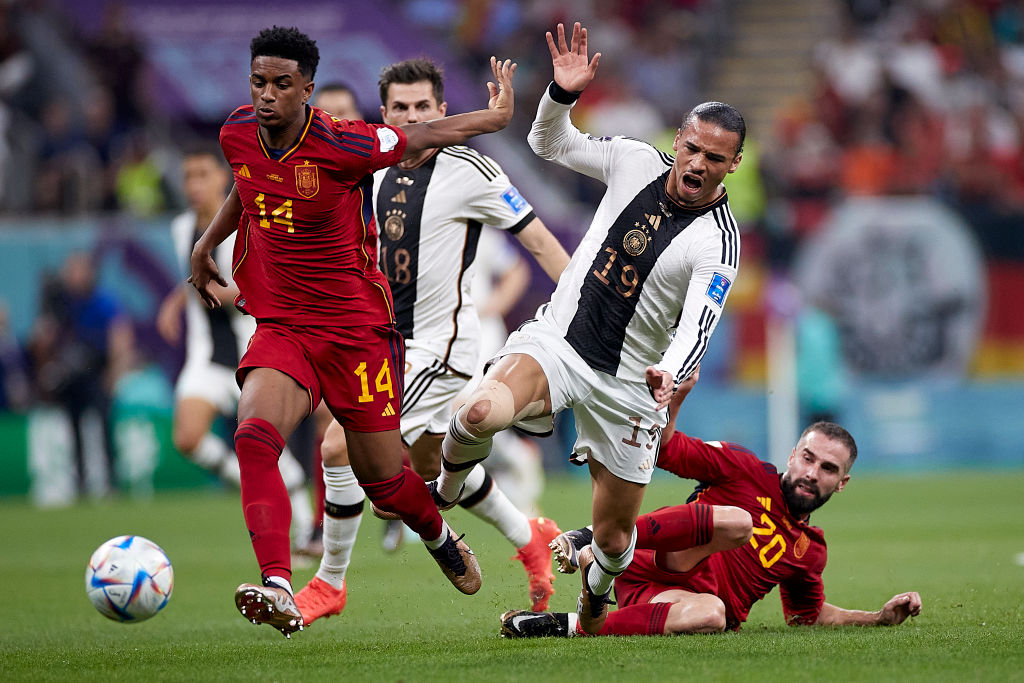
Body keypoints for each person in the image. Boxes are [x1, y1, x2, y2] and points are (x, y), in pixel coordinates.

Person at [187, 26, 519, 638]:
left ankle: (438, 534)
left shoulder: (344, 143)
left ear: (306, 89)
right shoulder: (236, 133)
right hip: (284, 325)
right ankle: (279, 585)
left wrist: (492, 118)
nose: (266, 95)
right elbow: (248, 185)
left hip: (356, 333)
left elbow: (421, 135)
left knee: (386, 485)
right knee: (254, 437)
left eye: (281, 84)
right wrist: (207, 243)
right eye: (258, 82)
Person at [433, 21, 744, 635]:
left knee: (614, 536)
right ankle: (441, 492)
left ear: (732, 165)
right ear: (678, 139)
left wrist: (670, 372)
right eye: (692, 148)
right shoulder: (634, 160)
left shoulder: (719, 242)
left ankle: (596, 601)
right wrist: (561, 95)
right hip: (561, 343)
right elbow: (549, 142)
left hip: (631, 385)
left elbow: (698, 325)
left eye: (714, 158)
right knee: (478, 413)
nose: (698, 163)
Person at [293, 58, 571, 626]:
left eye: (423, 106)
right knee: (430, 467)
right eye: (401, 107)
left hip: (438, 349)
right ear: (384, 113)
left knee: (338, 446)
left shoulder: (472, 170)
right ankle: (531, 537)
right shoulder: (368, 167)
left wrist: (583, 318)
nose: (413, 116)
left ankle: (329, 583)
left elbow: (541, 243)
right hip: (382, 345)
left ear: (442, 111)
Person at [499, 368, 923, 637]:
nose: (812, 473)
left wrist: (878, 618)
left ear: (842, 483)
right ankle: (593, 538)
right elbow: (666, 450)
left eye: (828, 469)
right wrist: (677, 397)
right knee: (740, 523)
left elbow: (806, 617)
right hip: (658, 559)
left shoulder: (810, 551)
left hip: (668, 599)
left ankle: (564, 623)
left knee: (713, 616)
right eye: (808, 459)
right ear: (793, 455)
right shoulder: (744, 468)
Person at [156, 144, 313, 549]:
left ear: (222, 179)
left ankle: (305, 524)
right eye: (188, 176)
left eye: (202, 175)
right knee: (187, 438)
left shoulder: (249, 223)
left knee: (266, 446)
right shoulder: (181, 228)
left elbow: (258, 288)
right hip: (205, 358)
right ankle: (245, 480)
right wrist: (177, 301)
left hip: (251, 353)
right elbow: (196, 275)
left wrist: (210, 291)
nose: (194, 185)